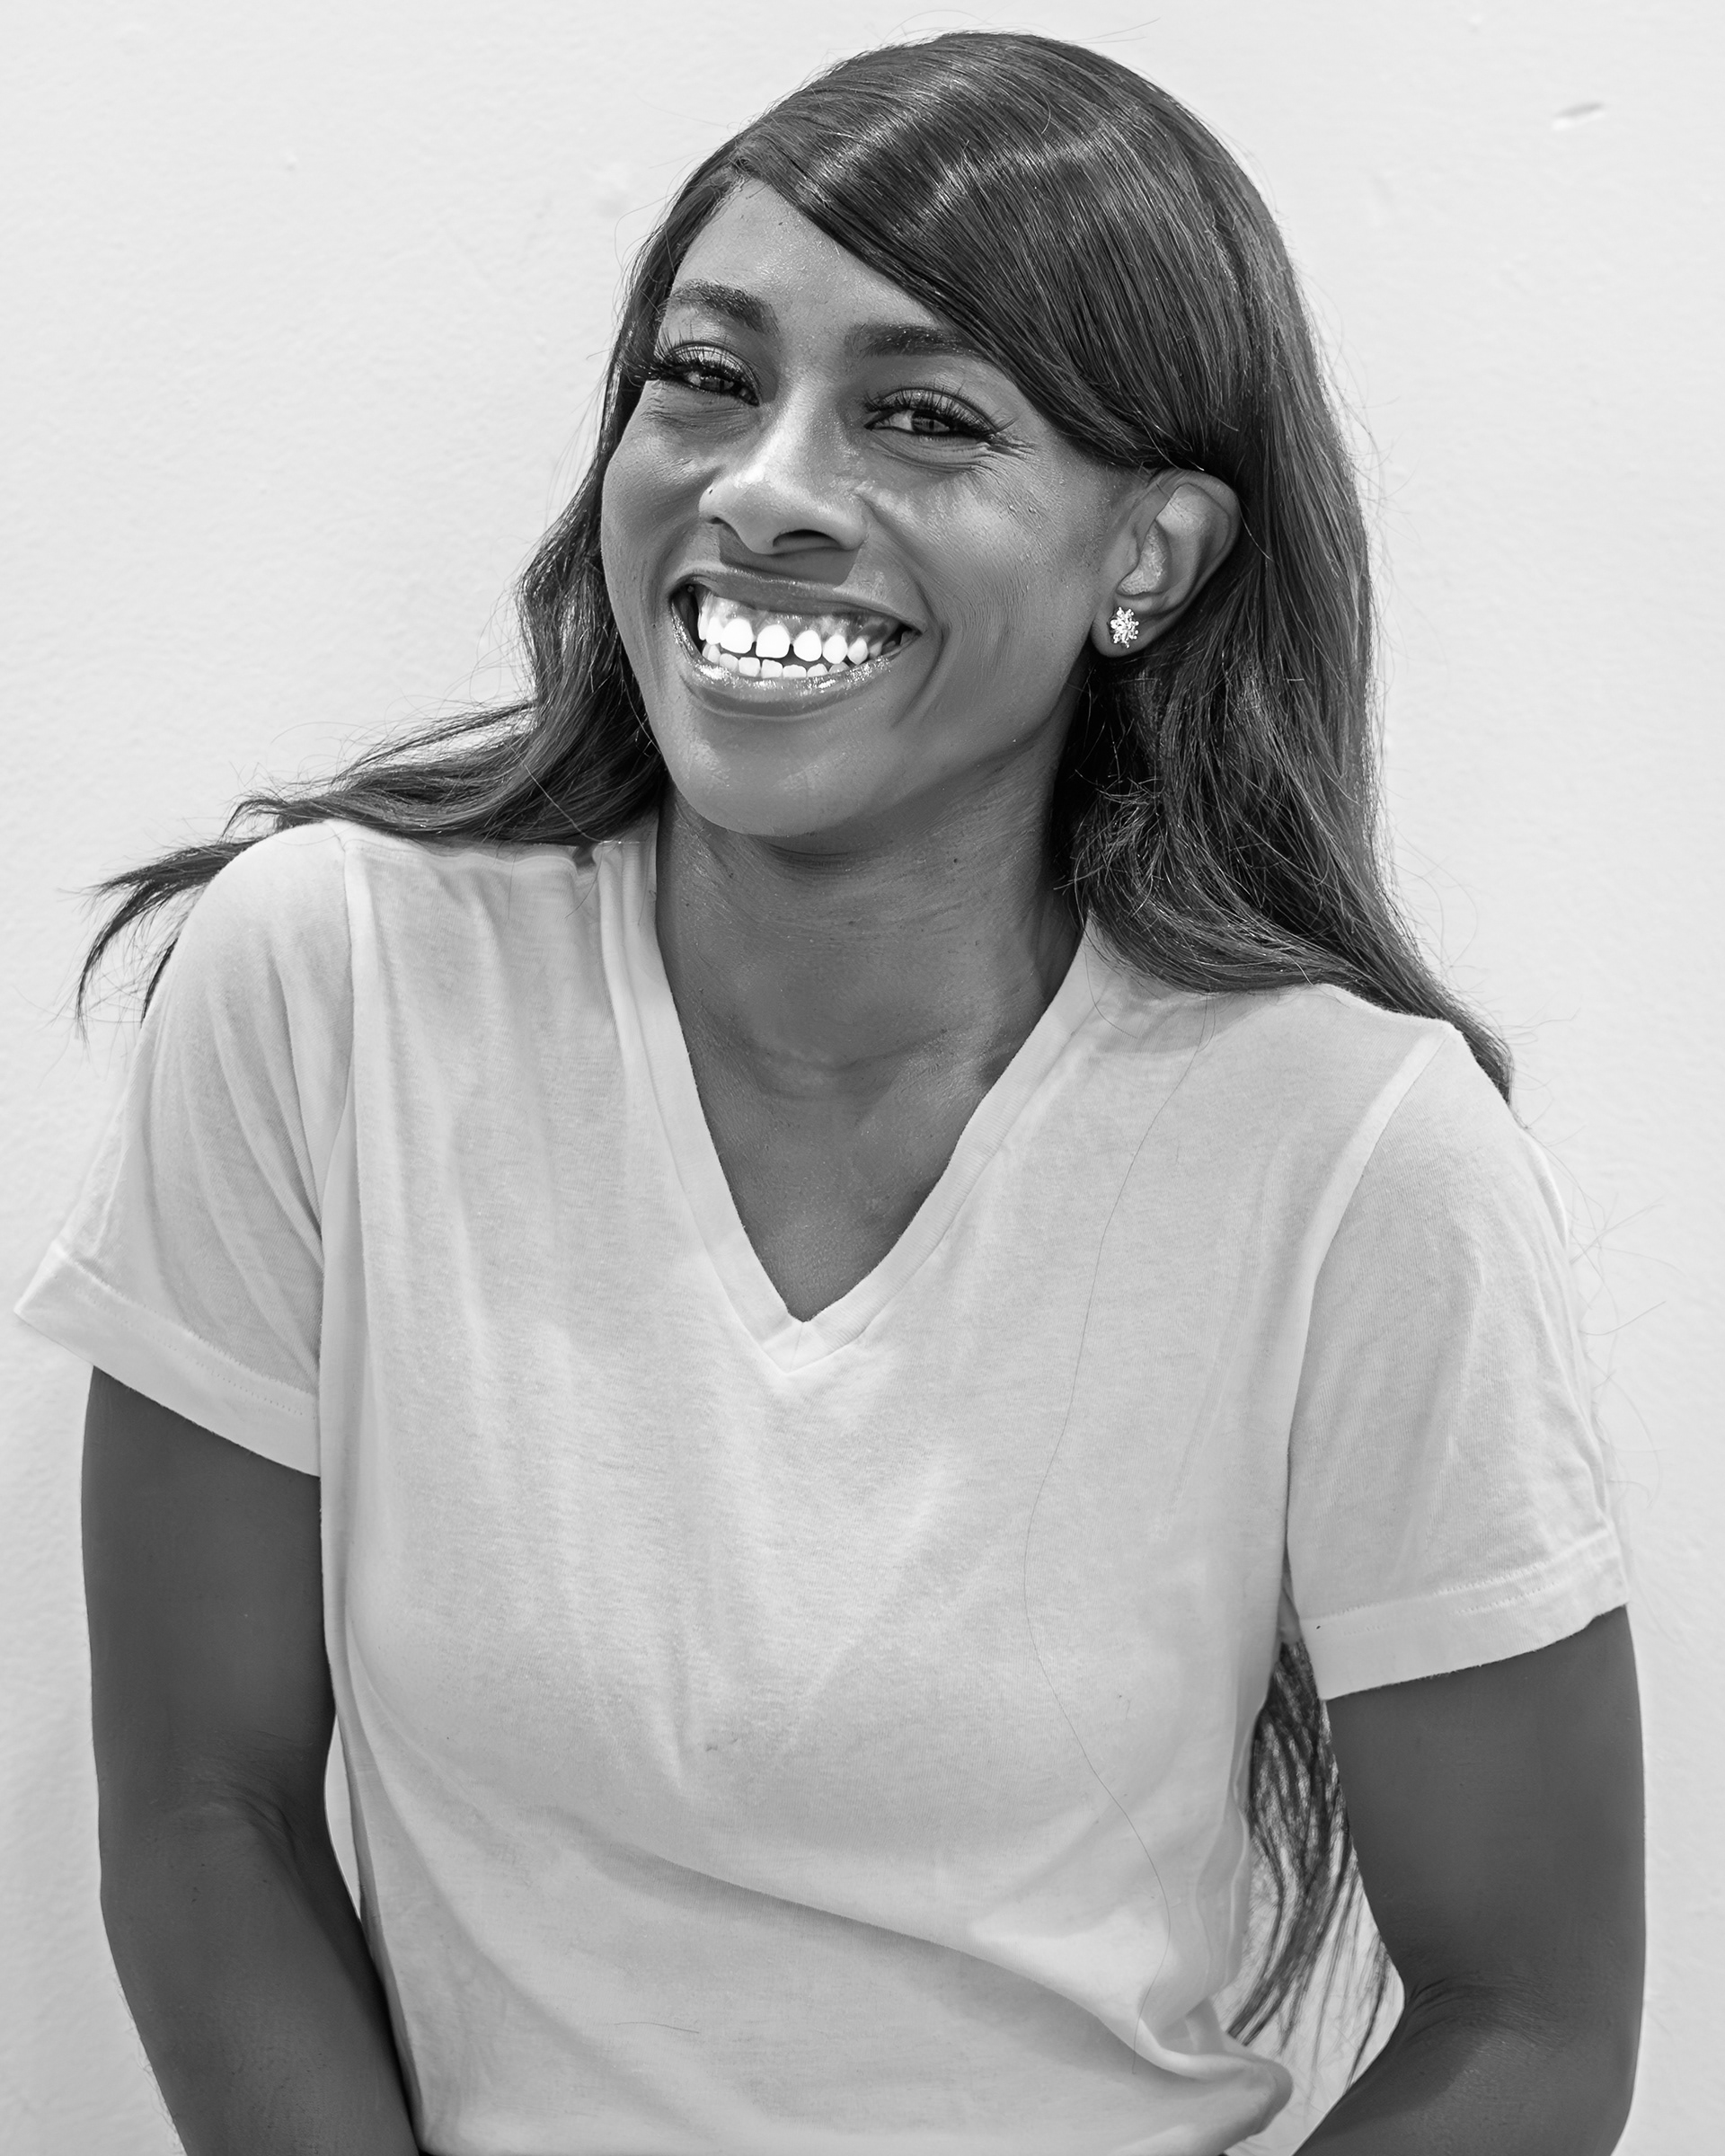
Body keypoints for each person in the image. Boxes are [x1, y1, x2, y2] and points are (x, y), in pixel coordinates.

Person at [18, 30, 1642, 2156]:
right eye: (706, 377)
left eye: (925, 414)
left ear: (1149, 557)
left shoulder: (1356, 1155)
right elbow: (202, 1806)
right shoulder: (330, 983)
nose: (767, 488)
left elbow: (1532, 2016)